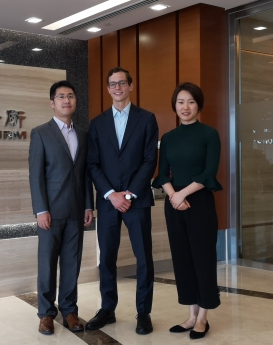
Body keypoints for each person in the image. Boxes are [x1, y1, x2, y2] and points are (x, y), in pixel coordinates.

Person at [86, 67, 159, 335]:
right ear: (108, 89)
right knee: (107, 257)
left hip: (136, 201)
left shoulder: (147, 119)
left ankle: (143, 312)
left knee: (144, 258)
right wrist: (111, 194)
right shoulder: (98, 123)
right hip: (107, 202)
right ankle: (107, 309)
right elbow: (93, 164)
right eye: (113, 84)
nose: (117, 87)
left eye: (122, 83)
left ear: (130, 86)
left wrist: (129, 194)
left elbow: (150, 160)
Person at [152, 82, 222, 340]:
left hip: (199, 202)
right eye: (180, 102)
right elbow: (162, 174)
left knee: (202, 259)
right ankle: (191, 315)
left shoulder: (209, 134)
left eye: (191, 102)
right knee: (182, 259)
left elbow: (208, 173)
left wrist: (182, 193)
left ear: (199, 105)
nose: (185, 107)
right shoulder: (168, 138)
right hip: (175, 205)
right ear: (175, 105)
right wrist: (173, 195)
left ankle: (203, 317)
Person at [28, 80, 94, 335]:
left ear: (75, 101)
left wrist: (89, 205)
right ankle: (46, 314)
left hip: (77, 211)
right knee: (47, 263)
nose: (66, 100)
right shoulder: (41, 133)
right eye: (61, 97)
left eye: (70, 96)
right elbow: (36, 176)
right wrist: (41, 209)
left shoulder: (83, 135)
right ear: (52, 103)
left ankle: (69, 311)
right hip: (51, 213)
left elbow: (85, 174)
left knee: (71, 263)